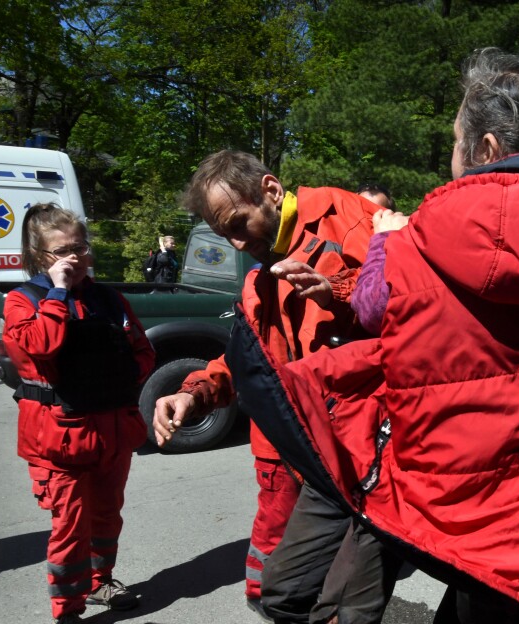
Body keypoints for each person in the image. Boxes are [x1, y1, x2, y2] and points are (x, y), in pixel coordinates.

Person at [217, 11, 519, 624]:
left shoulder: (417, 238)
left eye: (458, 140)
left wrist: (383, 239)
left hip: (463, 511)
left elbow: (374, 311)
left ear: (485, 150)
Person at [150, 150, 391, 624]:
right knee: (284, 593)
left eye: (239, 224)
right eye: (224, 235)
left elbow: (413, 309)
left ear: (272, 190)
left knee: (343, 603)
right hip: (305, 452)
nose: (237, 243)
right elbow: (250, 357)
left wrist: (340, 293)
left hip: (364, 453)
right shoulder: (260, 277)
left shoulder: (350, 220)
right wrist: (193, 392)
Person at [4, 203, 155, 624]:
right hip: (59, 439)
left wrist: (119, 375)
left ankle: (100, 581)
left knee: (106, 517)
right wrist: (58, 293)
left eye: (80, 247)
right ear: (40, 257)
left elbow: (143, 350)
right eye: (62, 251)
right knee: (70, 527)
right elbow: (40, 345)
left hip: (112, 431)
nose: (75, 258)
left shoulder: (109, 299)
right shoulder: (23, 301)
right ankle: (68, 610)